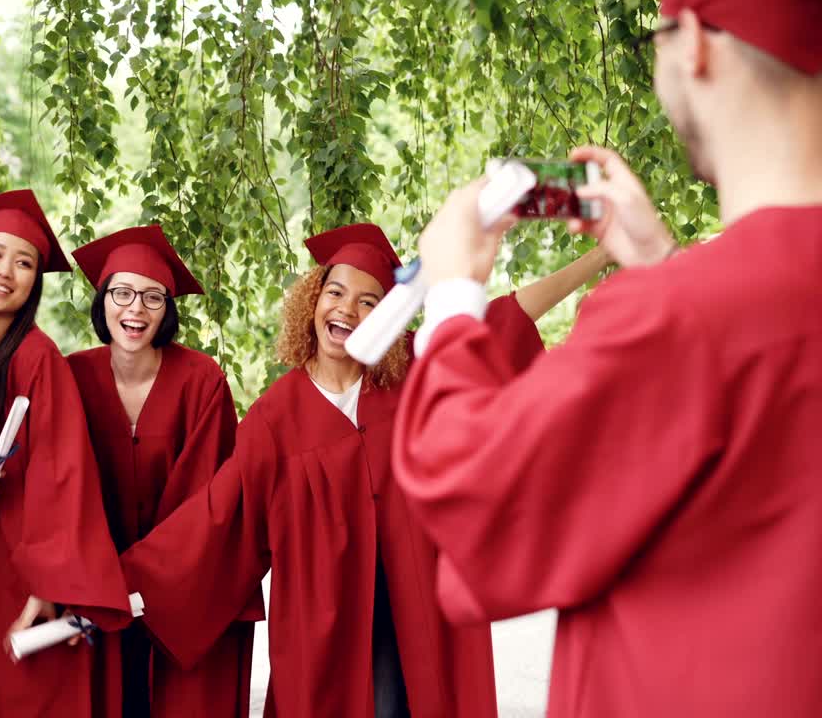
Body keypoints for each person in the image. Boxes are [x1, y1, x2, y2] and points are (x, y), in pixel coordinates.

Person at [391, 0, 822, 715]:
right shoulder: (710, 306)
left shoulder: (681, 319)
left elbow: (479, 500)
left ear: (693, 44)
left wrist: (453, 293)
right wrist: (662, 264)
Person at [120, 223, 606, 717]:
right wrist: (118, 583)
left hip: (421, 615)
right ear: (312, 302)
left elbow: (506, 319)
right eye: (335, 292)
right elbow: (219, 515)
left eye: (369, 301)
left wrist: (598, 257)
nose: (346, 309)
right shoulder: (275, 417)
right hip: (329, 629)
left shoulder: (416, 372)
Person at [0, 189, 132, 718]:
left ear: (35, 282)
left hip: (23, 564)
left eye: (24, 263)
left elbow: (64, 474)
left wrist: (47, 587)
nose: (5, 271)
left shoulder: (40, 359)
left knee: (19, 697)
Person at [68, 226, 258, 718]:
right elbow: (57, 485)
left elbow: (211, 499)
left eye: (153, 297)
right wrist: (94, 579)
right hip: (97, 590)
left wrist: (144, 576)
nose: (136, 309)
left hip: (188, 592)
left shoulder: (203, 381)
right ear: (102, 300)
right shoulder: (71, 377)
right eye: (123, 293)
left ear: (168, 310)